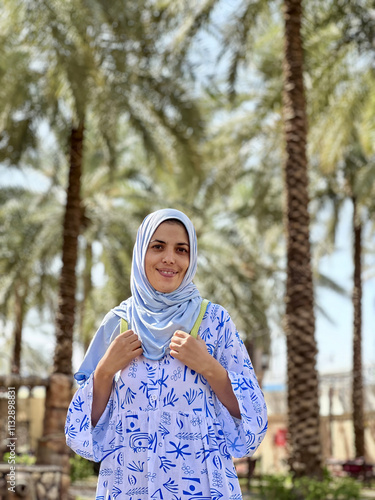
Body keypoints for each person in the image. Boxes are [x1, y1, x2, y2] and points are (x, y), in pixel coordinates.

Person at [65, 208, 267, 500]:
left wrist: (210, 368)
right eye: (157, 246)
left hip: (201, 483)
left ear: (192, 257)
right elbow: (85, 431)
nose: (170, 258)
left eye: (181, 249)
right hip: (129, 481)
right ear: (140, 253)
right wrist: (105, 371)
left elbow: (252, 417)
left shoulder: (214, 321)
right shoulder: (118, 323)